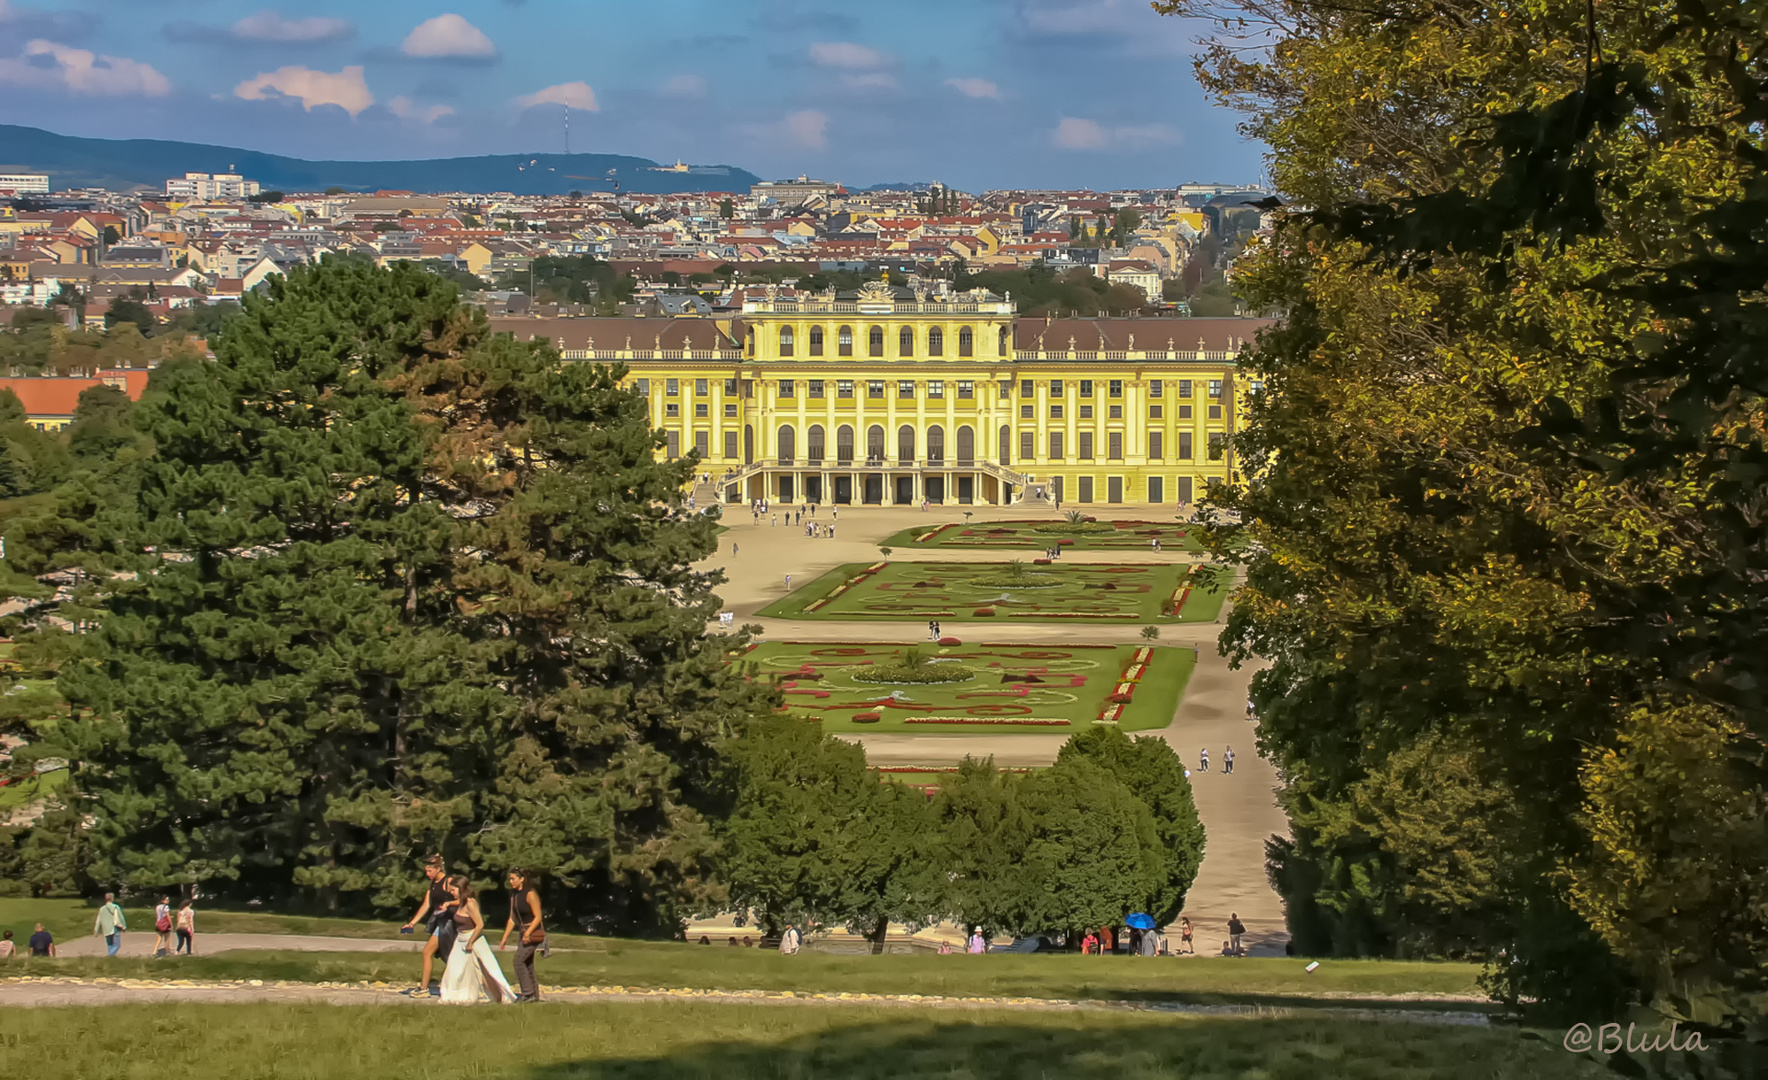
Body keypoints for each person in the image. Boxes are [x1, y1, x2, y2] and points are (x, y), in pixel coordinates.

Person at [438, 875, 515, 1005]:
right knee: (454, 969)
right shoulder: (461, 902)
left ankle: (498, 998)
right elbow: (457, 902)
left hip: (472, 939)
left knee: (485, 970)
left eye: (453, 890)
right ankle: (454, 995)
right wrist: (448, 903)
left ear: (460, 888)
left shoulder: (471, 903)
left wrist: (470, 942)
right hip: (460, 939)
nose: (451, 893)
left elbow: (480, 924)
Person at [400, 854, 452, 998]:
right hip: (439, 923)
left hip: (449, 924)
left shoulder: (448, 881)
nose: (427, 874)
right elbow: (426, 904)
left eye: (430, 871)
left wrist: (449, 906)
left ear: (438, 868)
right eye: (426, 871)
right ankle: (428, 987)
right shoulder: (433, 883)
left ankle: (424, 988)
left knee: (429, 952)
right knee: (446, 957)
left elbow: (461, 899)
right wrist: (412, 923)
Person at [498, 869, 546, 1003]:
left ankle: (527, 993)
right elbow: (512, 918)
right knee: (528, 963)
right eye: (510, 879)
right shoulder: (514, 895)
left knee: (518, 961)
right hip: (523, 932)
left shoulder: (530, 894)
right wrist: (504, 937)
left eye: (513, 878)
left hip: (533, 932)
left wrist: (528, 933)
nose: (510, 881)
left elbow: (538, 917)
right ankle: (534, 996)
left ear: (522, 879)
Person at [94, 892, 126, 957]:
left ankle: (111, 958)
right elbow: (121, 917)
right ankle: (110, 956)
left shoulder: (102, 909)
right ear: (112, 899)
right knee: (117, 945)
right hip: (115, 928)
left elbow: (98, 919)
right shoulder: (115, 907)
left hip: (106, 929)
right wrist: (124, 926)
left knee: (110, 944)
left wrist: (96, 930)